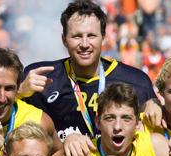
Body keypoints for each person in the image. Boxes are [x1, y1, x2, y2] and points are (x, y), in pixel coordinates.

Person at [24, 0, 156, 141]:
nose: (85, 44)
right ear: (64, 40)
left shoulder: (136, 81)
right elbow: (9, 122)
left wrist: (156, 105)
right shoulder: (40, 77)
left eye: (91, 36)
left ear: (103, 37)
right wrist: (19, 94)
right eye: (77, 36)